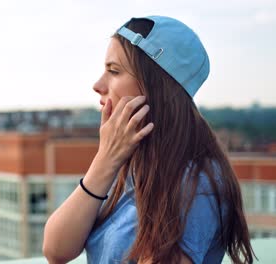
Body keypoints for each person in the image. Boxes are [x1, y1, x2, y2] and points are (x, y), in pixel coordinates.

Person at [42, 15, 255, 264]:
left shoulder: (196, 184)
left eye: (114, 71)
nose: (97, 85)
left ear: (156, 86)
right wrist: (105, 160)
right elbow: (56, 250)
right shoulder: (127, 164)